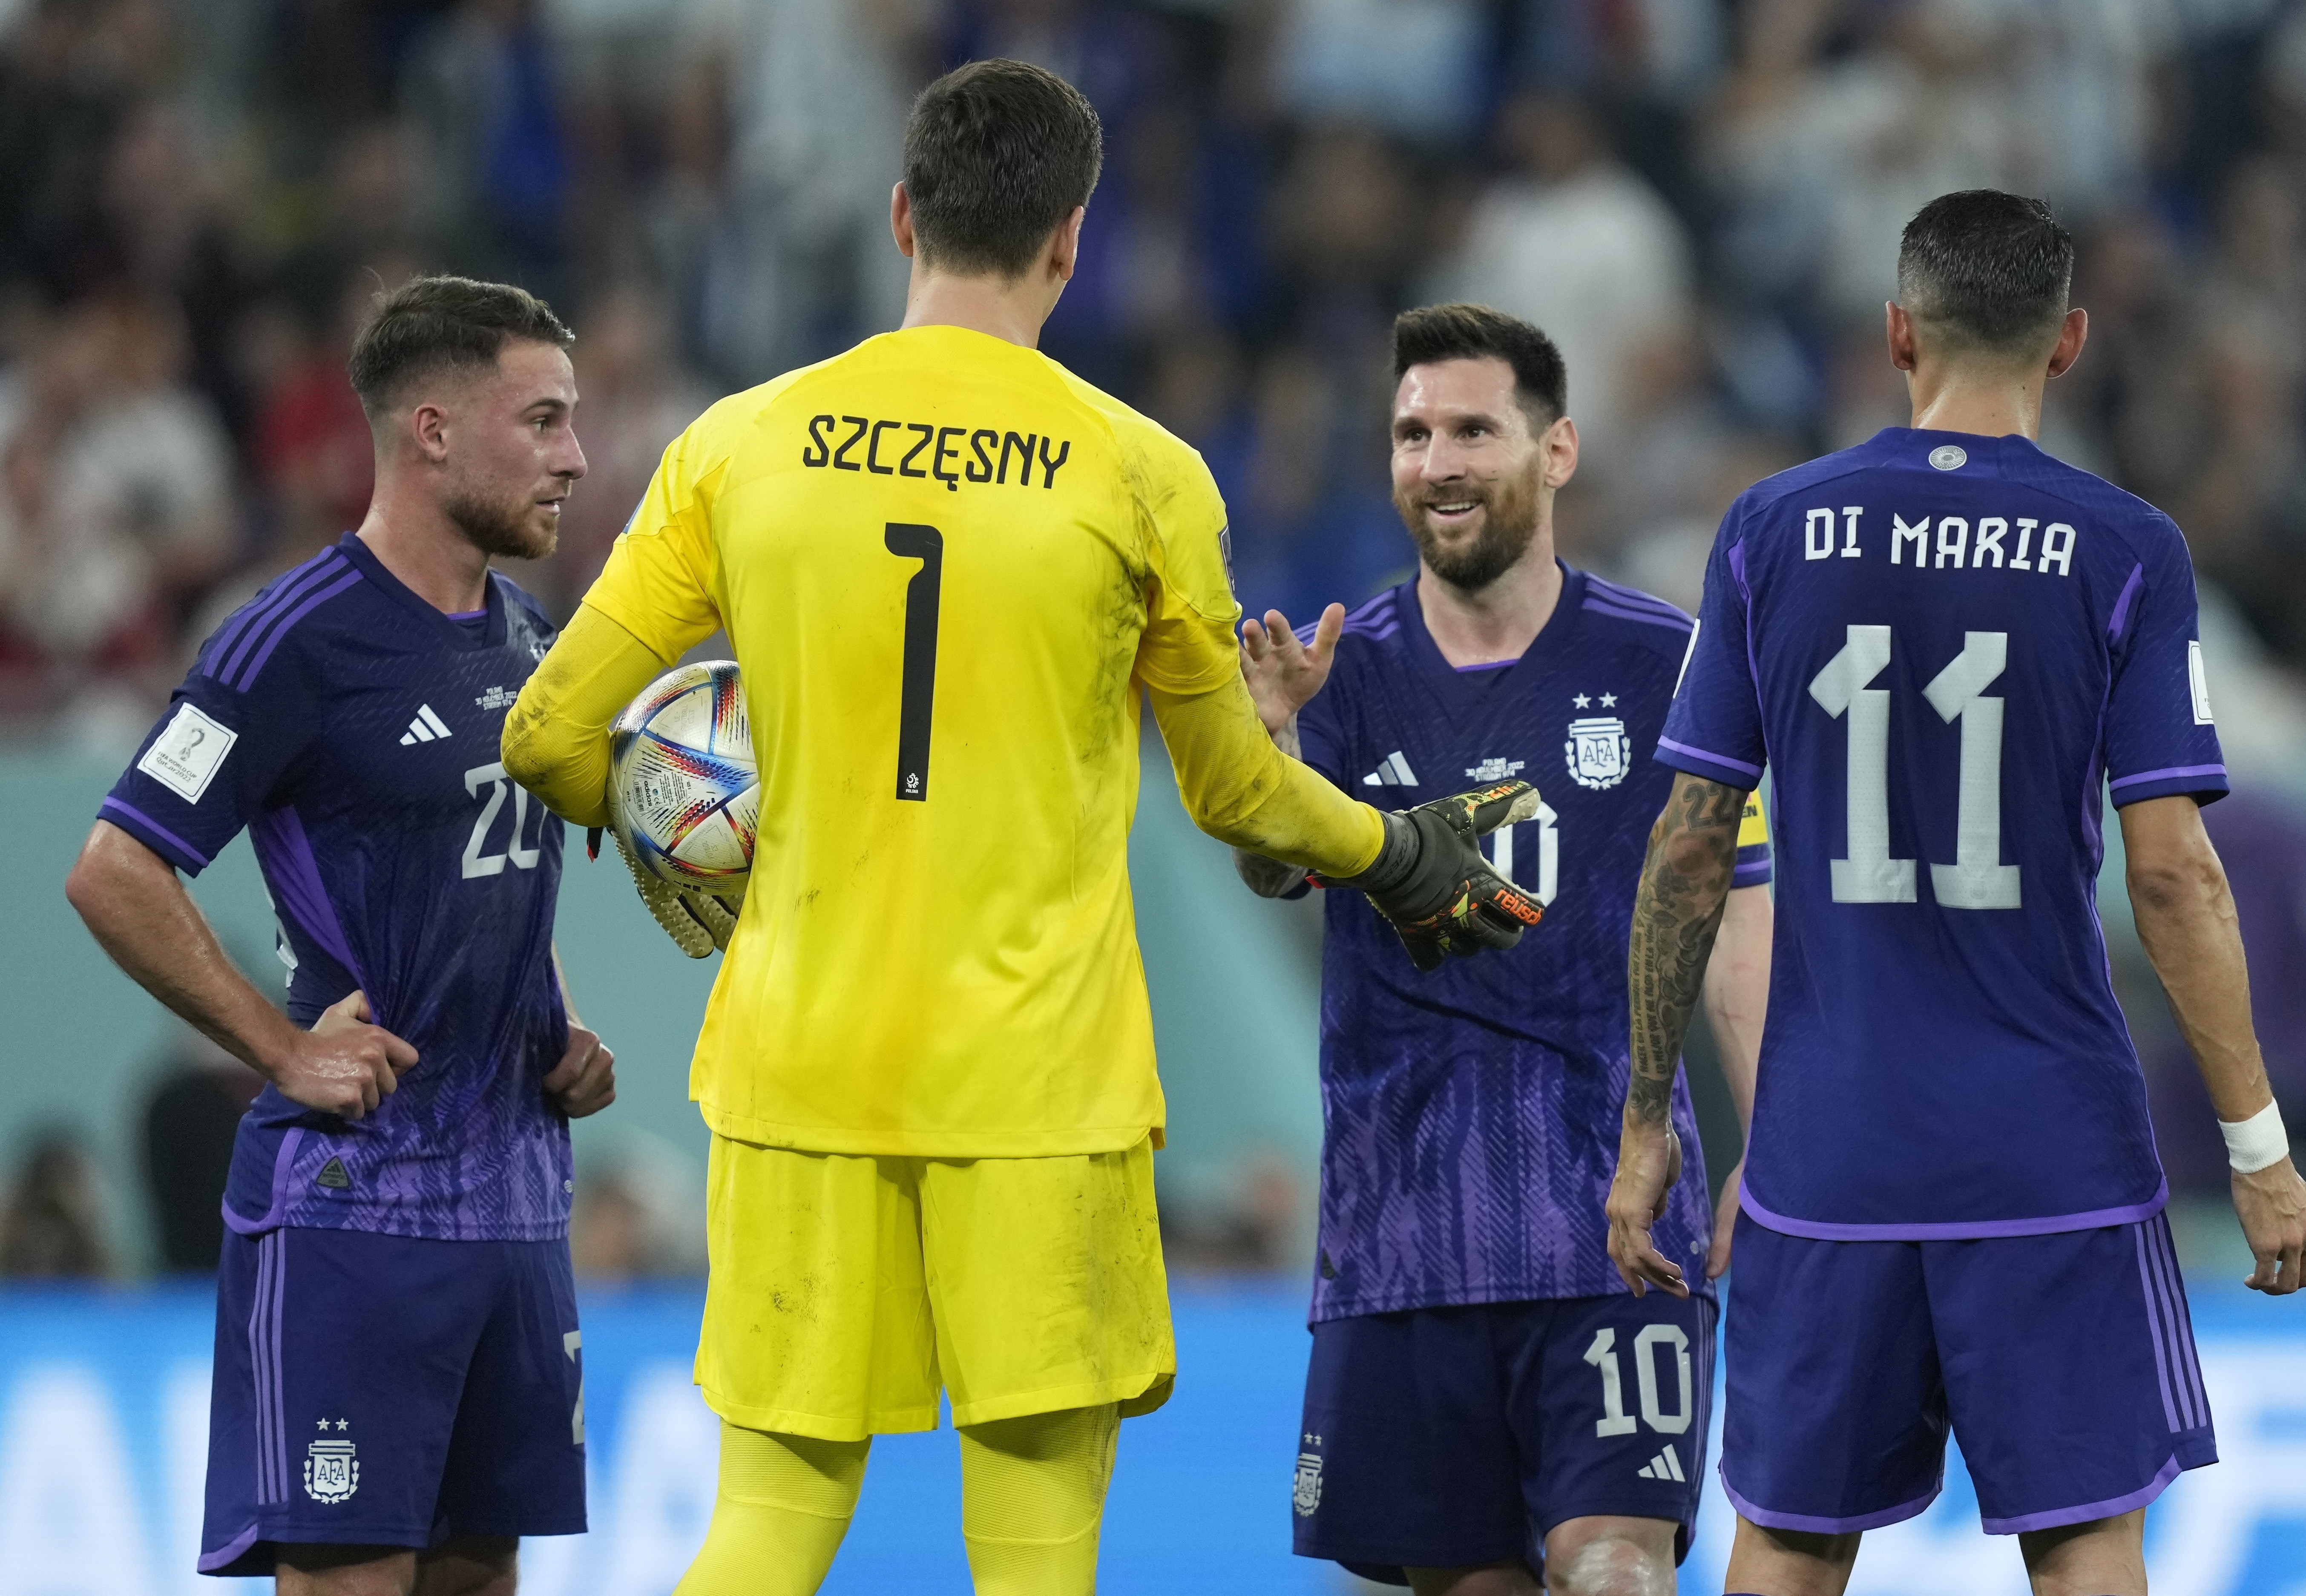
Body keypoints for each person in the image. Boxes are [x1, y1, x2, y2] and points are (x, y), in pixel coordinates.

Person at [498, 58, 1543, 1596]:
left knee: (770, 1526)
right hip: (1042, 1082)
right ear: (1071, 241)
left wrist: (678, 835)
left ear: (903, 214)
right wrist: (1401, 854)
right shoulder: (1141, 471)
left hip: (800, 1059)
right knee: (1036, 1559)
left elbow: (546, 732)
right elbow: (1237, 792)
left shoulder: (743, 443)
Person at [1605, 191, 2306, 1596]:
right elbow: (2175, 874)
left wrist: (1655, 1115)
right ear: (2068, 343)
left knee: (1789, 1548)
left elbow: (1691, 845)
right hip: (2049, 1151)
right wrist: (2260, 1152)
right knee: (2085, 1545)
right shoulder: (2128, 550)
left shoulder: (1769, 529)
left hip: (1831, 1152)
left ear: (1897, 333)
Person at [63, 275, 618, 1595]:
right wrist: (279, 1046)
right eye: (540, 421)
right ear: (431, 431)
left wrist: (560, 1020)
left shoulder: (531, 638)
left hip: (517, 1215)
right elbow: (114, 866)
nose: (576, 457)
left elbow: (484, 882)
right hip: (354, 1218)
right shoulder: (287, 642)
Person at [1232, 304, 1773, 1596]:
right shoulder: (1338, 674)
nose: (1438, 460)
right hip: (1402, 1231)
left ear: (1559, 449)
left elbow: (1742, 905)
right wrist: (1270, 758)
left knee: (1614, 1570)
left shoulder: (1670, 663)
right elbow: (1273, 873)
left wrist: (1775, 1129)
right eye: (1414, 433)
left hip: (1613, 1216)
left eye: (1474, 427)